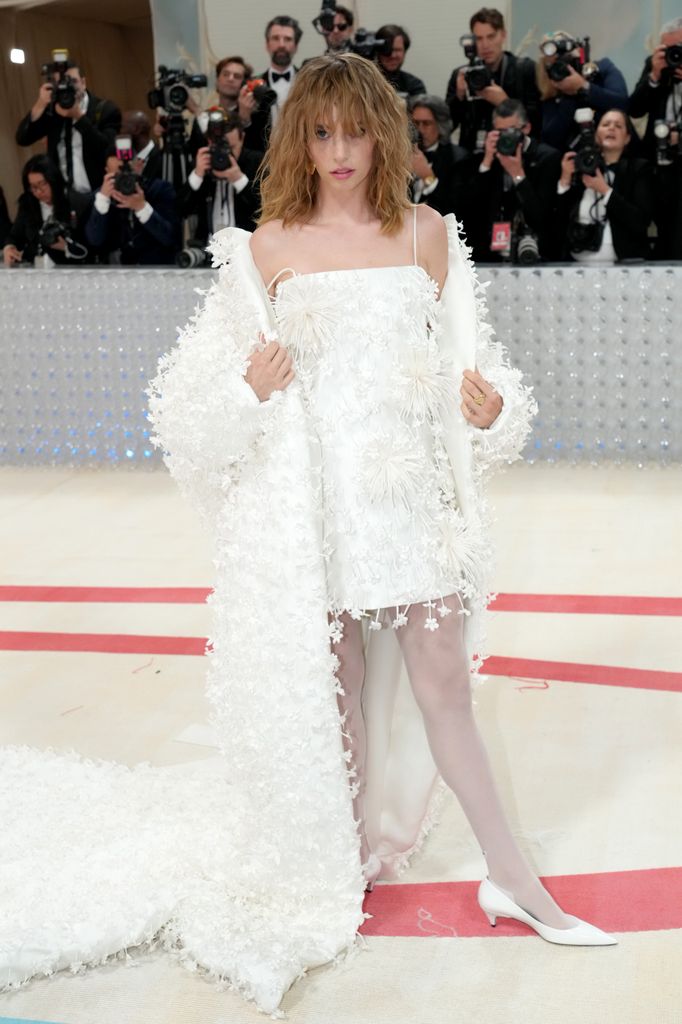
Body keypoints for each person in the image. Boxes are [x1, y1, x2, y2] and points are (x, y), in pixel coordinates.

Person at [0, 53, 616, 1019]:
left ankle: (515, 875)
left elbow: (480, 370)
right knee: (338, 695)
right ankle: (346, 860)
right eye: (319, 133)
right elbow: (190, 411)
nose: (339, 151)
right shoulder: (262, 250)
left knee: (444, 682)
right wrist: (248, 391)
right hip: (315, 506)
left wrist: (492, 412)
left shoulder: (428, 235)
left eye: (355, 130)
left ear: (385, 132)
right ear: (298, 140)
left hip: (409, 500)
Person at [554, 108, 654, 262]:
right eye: (606, 124)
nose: (611, 128)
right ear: (595, 134)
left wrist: (605, 191)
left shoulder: (639, 169)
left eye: (618, 126)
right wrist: (565, 179)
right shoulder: (582, 166)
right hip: (576, 265)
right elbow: (559, 220)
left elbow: (640, 221)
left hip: (625, 264)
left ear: (627, 138)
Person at [470, 98, 561, 262]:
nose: (505, 138)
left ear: (526, 128)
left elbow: (542, 215)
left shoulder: (547, 157)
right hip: (492, 250)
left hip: (534, 248)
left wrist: (518, 175)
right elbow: (475, 210)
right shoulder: (489, 155)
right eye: (500, 131)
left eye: (510, 131)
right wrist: (487, 161)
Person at [446, 7, 540, 155]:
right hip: (472, 156)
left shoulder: (524, 70)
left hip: (513, 154)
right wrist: (459, 96)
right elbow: (447, 126)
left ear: (503, 35)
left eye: (491, 37)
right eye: (479, 38)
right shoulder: (461, 75)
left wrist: (505, 102)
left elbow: (536, 122)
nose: (485, 45)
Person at [15, 60, 121, 192]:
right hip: (62, 195)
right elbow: (23, 138)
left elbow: (106, 149)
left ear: (83, 82)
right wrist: (40, 104)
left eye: (73, 81)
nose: (69, 87)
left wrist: (78, 117)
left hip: (98, 193)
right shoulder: (53, 112)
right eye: (62, 83)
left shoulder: (106, 109)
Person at [85, 146, 180, 264]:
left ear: (139, 165)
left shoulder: (160, 189)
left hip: (155, 269)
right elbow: (94, 241)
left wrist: (142, 207)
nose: (124, 179)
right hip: (117, 272)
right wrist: (103, 200)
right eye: (117, 176)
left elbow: (171, 238)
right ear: (107, 172)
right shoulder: (101, 196)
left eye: (127, 172)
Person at [537, 31, 628, 153]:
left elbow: (623, 104)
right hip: (573, 162)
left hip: (617, 158)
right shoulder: (550, 94)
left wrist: (584, 86)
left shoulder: (602, 70)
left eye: (568, 59)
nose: (564, 66)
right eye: (556, 64)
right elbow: (550, 141)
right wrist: (569, 94)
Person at [179, 115, 261, 238]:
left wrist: (240, 180)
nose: (225, 155)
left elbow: (265, 210)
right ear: (210, 141)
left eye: (230, 148)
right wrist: (197, 176)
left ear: (242, 138)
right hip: (208, 248)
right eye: (220, 148)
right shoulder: (202, 164)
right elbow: (182, 210)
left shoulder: (256, 162)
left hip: (246, 246)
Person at [3, 154, 91, 267]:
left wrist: (67, 248)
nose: (38, 192)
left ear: (54, 180)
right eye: (33, 187)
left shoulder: (76, 202)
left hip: (70, 272)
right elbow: (14, 236)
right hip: (35, 271)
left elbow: (92, 247)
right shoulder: (28, 204)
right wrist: (9, 247)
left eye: (42, 184)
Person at [408, 94, 473, 220]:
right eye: (415, 123)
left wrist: (428, 177)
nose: (419, 130)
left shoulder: (459, 159)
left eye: (426, 124)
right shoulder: (401, 155)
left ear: (440, 125)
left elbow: (455, 210)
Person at [629, 17, 682, 162]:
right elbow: (635, 110)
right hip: (657, 156)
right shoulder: (656, 64)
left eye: (679, 47)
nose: (675, 55)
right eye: (668, 49)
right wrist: (654, 76)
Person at [375, 24, 426, 99]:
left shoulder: (414, 85)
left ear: (404, 51)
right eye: (388, 50)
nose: (392, 55)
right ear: (377, 51)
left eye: (397, 50)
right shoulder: (365, 83)